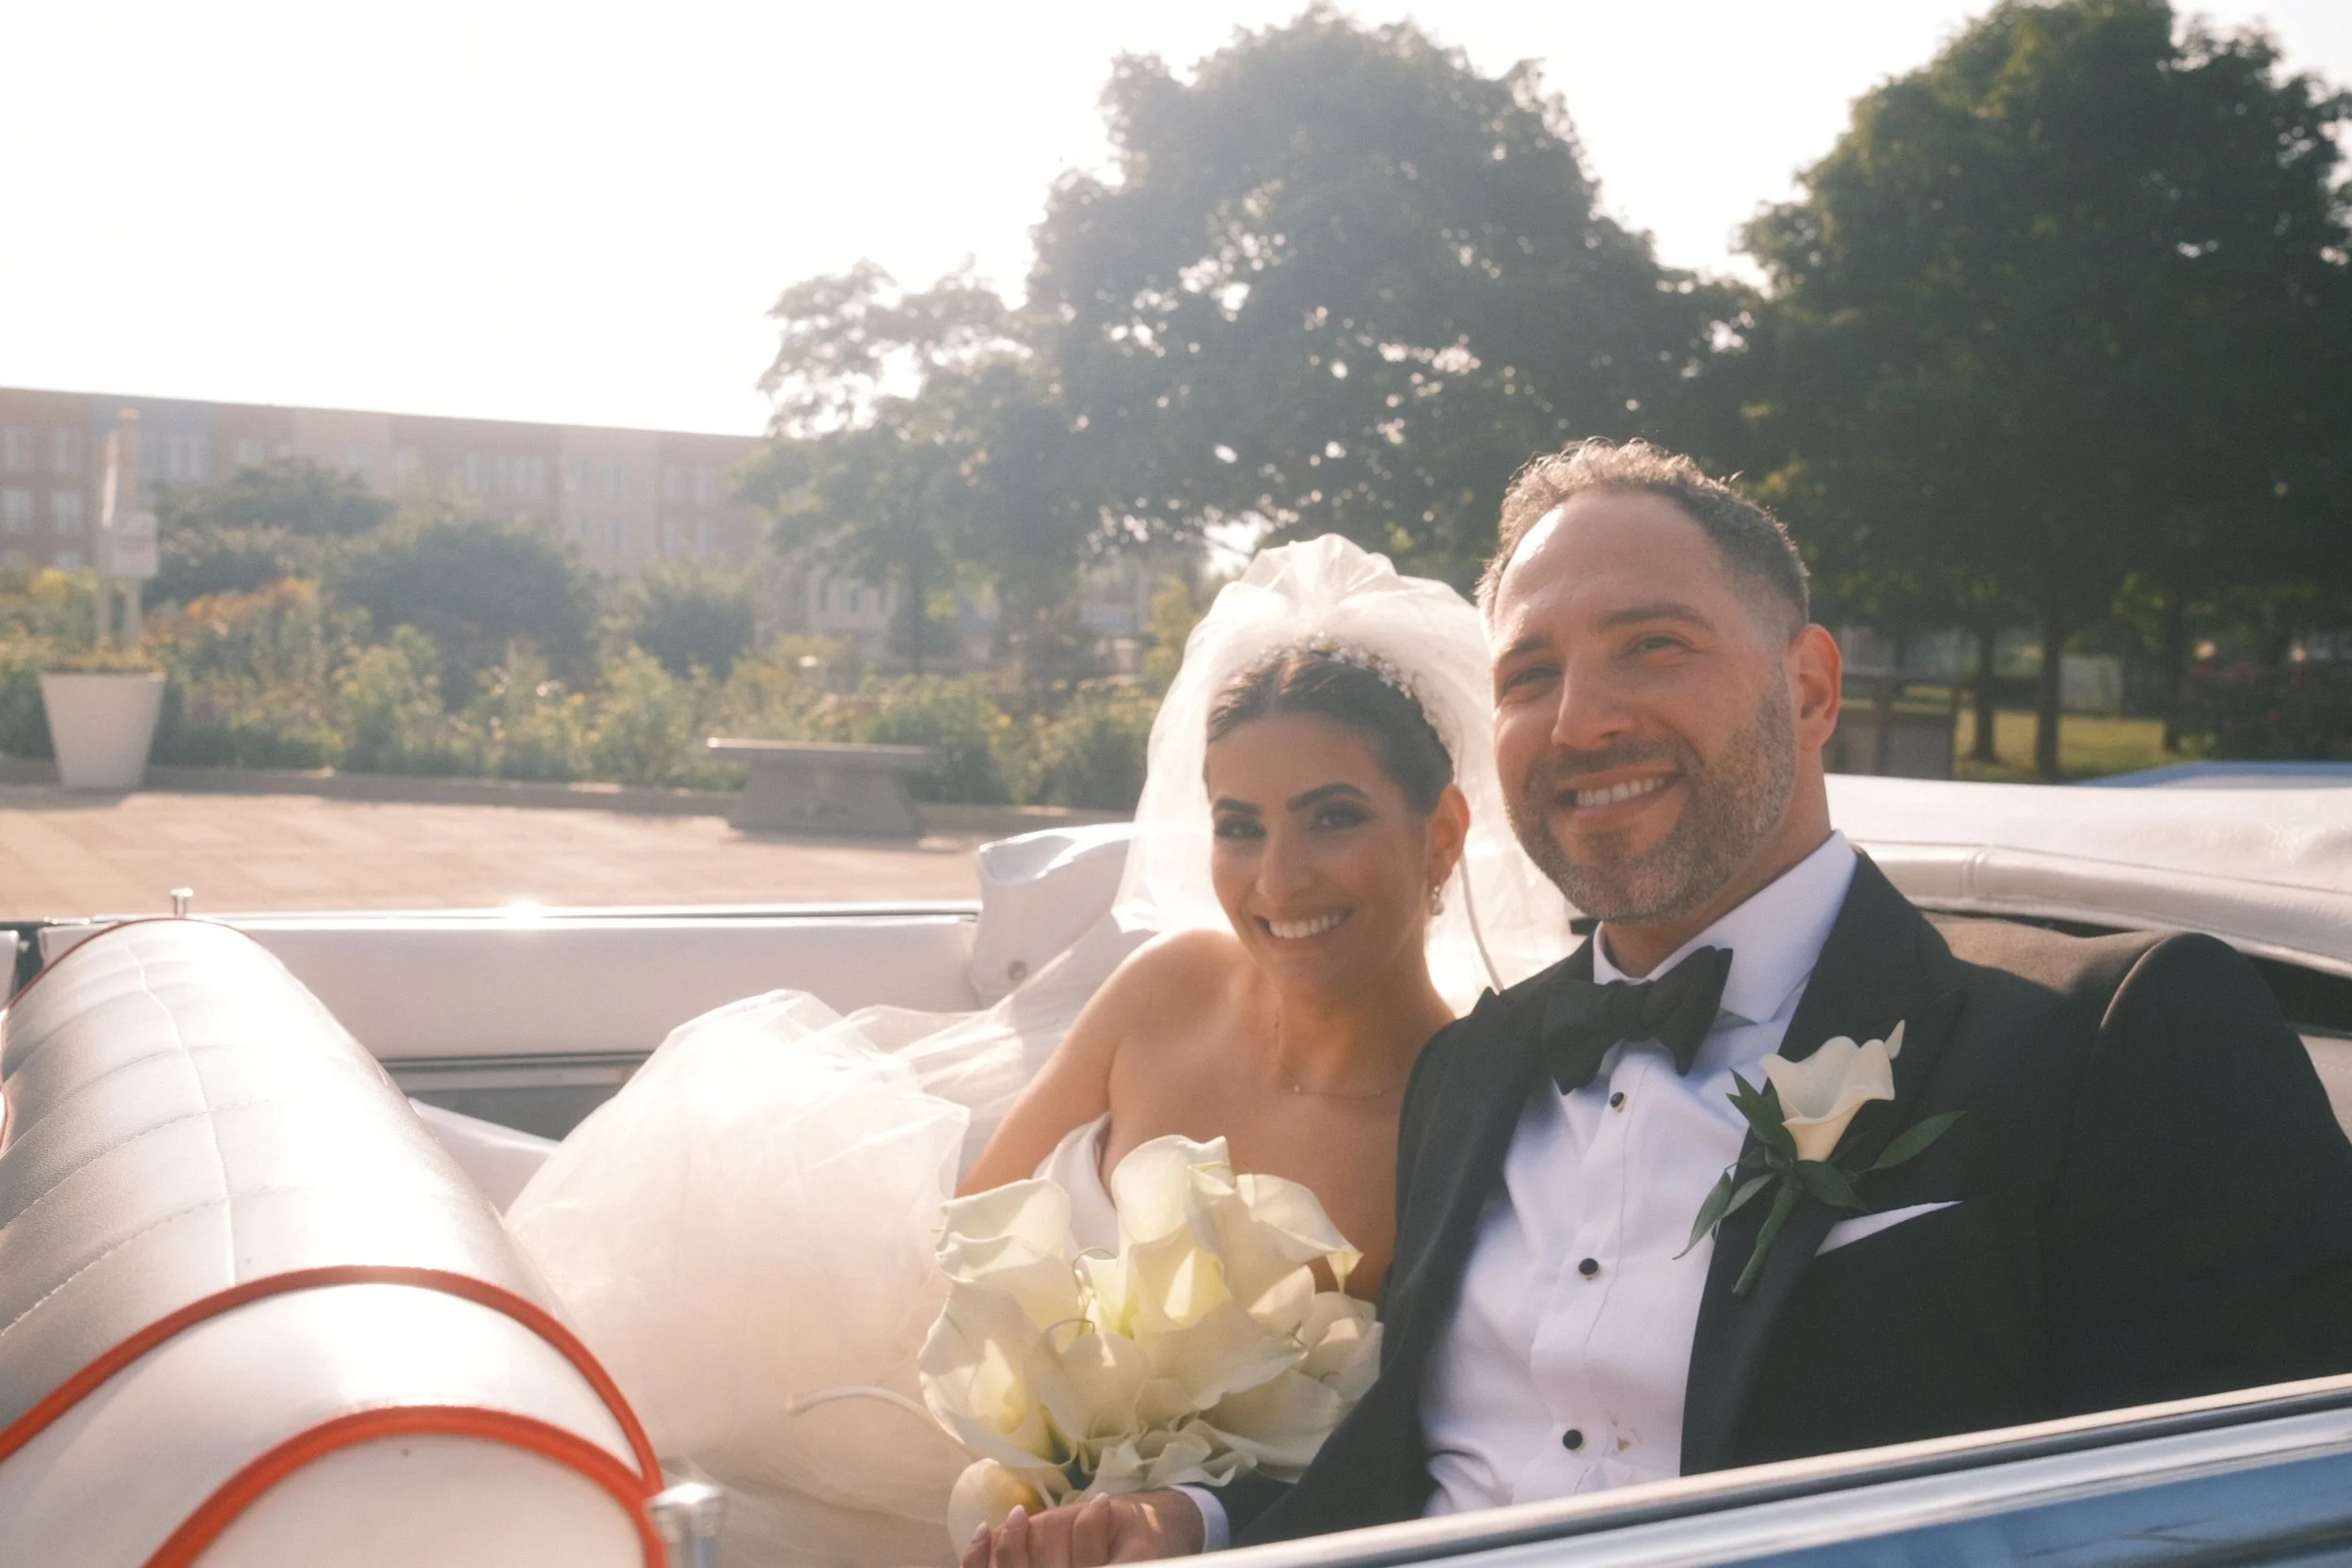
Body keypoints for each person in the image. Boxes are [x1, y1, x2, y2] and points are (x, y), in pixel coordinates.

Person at [967, 438, 2352, 1566]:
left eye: (1653, 645)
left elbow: (2262, 1508)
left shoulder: (2107, 1032)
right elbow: (1410, 1470)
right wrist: (1188, 1521)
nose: (1581, 719)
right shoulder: (1476, 1063)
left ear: (1810, 689)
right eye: (1530, 674)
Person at [504, 535, 1570, 1567]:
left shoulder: (1469, 1108)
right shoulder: (1167, 987)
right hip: (931, 1455)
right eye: (1239, 825)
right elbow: (969, 1239)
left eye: (1331, 817)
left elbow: (1396, 1449)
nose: (1277, 879)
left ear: (1439, 833)